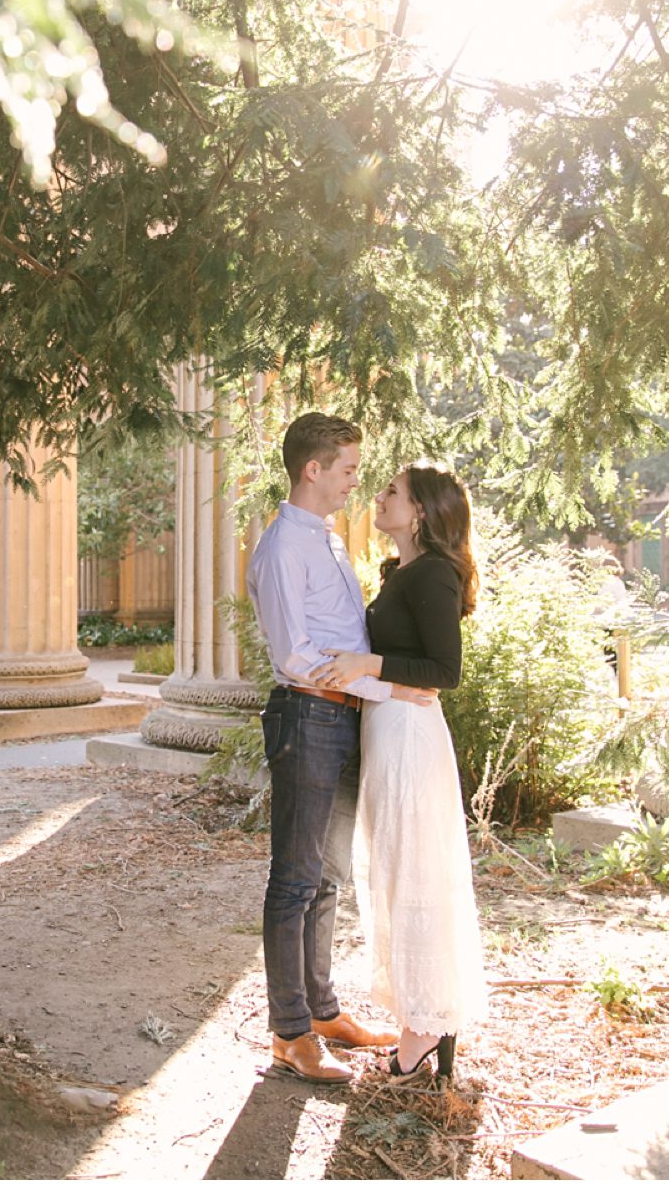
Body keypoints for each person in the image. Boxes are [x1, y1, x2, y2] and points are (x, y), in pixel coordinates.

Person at [244, 413, 436, 1084]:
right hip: (307, 716)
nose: (357, 480)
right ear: (313, 469)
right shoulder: (281, 548)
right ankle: (289, 1033)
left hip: (343, 717)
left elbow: (346, 640)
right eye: (349, 469)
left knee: (327, 877)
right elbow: (295, 655)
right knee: (295, 879)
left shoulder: (323, 538)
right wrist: (390, 688)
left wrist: (379, 687)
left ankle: (323, 1013)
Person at [310, 460, 489, 1083]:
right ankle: (420, 1015)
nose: (380, 496)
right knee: (393, 868)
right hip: (388, 727)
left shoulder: (433, 572)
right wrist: (374, 676)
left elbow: (444, 670)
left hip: (411, 738)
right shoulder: (403, 573)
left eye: (393, 491)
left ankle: (426, 1026)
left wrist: (367, 664)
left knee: (415, 871)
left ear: (419, 513)